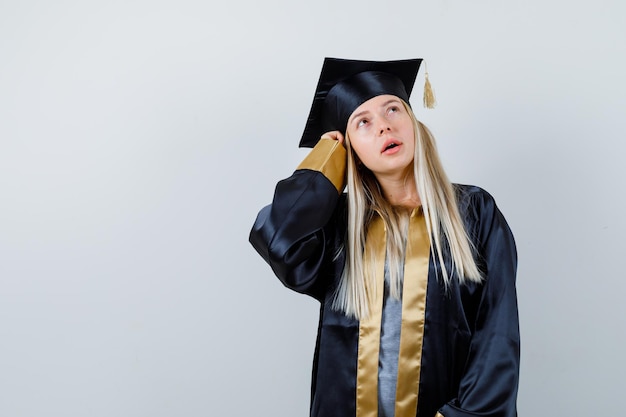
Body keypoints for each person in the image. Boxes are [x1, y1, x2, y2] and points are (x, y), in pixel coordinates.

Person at [249, 58, 519, 417]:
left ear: (413, 123)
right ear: (352, 152)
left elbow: (497, 336)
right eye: (363, 122)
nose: (384, 127)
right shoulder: (339, 226)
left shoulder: (473, 212)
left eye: (393, 109)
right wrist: (327, 158)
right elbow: (282, 241)